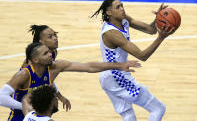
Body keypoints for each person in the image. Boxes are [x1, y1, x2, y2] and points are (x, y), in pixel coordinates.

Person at [0, 42, 141, 121]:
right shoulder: (24, 74)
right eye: (45, 53)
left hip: (37, 115)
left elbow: (88, 66)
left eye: (49, 51)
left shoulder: (55, 67)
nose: (50, 54)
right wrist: (27, 108)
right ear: (36, 60)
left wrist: (119, 65)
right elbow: (1, 98)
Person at [91, 0, 175, 121]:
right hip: (117, 77)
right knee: (158, 108)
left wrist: (159, 19)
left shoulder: (123, 19)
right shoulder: (112, 34)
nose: (122, 9)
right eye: (118, 7)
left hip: (109, 77)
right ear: (109, 12)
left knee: (128, 115)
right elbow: (142, 56)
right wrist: (160, 38)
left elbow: (150, 30)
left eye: (122, 5)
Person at [20, 25, 71, 114]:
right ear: (41, 42)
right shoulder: (31, 64)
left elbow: (47, 78)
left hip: (35, 102)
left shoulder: (52, 53)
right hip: (22, 102)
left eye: (55, 35)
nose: (55, 38)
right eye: (50, 37)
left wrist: (59, 96)